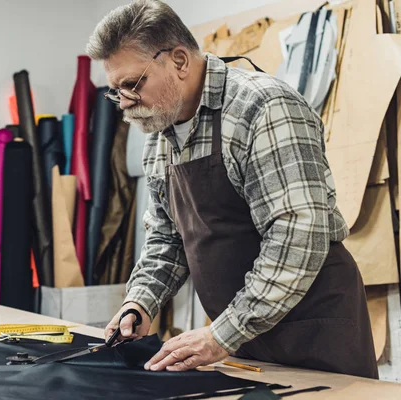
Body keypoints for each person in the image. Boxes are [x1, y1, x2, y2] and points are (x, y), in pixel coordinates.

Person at [85, 0, 378, 379]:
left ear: (178, 60)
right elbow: (166, 237)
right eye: (116, 90)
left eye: (131, 84)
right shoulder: (160, 131)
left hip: (314, 331)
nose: (124, 103)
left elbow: (298, 234)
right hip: (239, 333)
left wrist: (222, 334)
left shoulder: (264, 107)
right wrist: (140, 303)